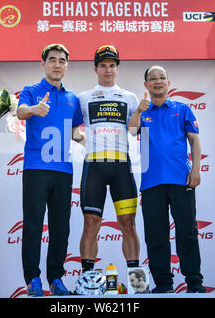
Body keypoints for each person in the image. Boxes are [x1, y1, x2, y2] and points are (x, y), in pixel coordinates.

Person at [128, 65, 206, 293]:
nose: (158, 81)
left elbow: (195, 140)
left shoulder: (182, 109)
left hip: (182, 179)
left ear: (168, 82)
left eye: (162, 78)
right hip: (151, 182)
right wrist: (138, 112)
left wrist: (197, 169)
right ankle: (163, 284)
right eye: (153, 79)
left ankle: (194, 283)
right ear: (146, 85)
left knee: (187, 232)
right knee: (156, 235)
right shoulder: (142, 111)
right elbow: (132, 132)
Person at [16, 43, 84, 296]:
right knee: (33, 225)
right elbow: (20, 112)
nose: (57, 64)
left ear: (67, 65)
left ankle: (56, 278)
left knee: (61, 226)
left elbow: (76, 132)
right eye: (52, 60)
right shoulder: (32, 91)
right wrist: (34, 109)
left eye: (62, 61)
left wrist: (100, 142)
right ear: (42, 64)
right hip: (36, 167)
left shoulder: (72, 98)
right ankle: (33, 279)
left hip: (63, 170)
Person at [77, 45, 140, 274]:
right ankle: (87, 281)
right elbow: (72, 129)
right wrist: (86, 141)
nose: (108, 70)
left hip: (121, 166)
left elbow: (134, 131)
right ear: (96, 69)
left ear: (117, 68)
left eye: (112, 65)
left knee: (128, 225)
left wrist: (139, 114)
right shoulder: (83, 98)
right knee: (91, 224)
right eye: (103, 65)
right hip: (93, 165)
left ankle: (136, 283)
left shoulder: (130, 97)